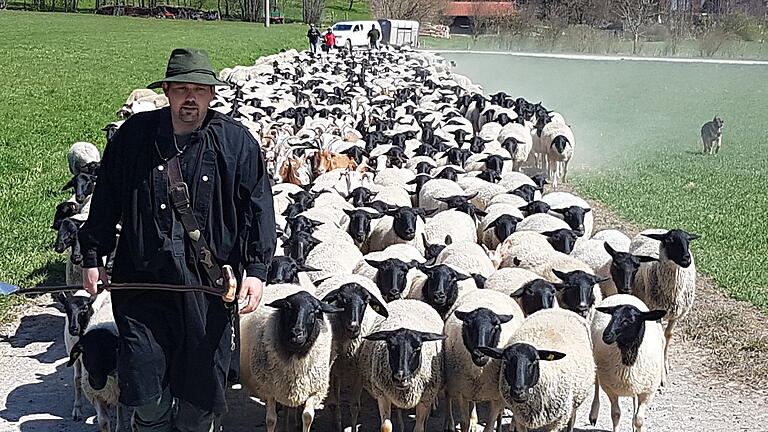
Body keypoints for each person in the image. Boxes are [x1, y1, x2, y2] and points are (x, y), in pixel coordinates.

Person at [78, 48, 276, 431]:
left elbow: (258, 209)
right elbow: (106, 201)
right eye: (182, 89)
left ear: (212, 95)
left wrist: (256, 270)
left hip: (207, 291)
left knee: (200, 400)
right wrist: (92, 254)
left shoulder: (235, 143)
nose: (190, 98)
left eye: (199, 90)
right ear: (167, 91)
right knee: (147, 393)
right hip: (142, 288)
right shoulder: (133, 138)